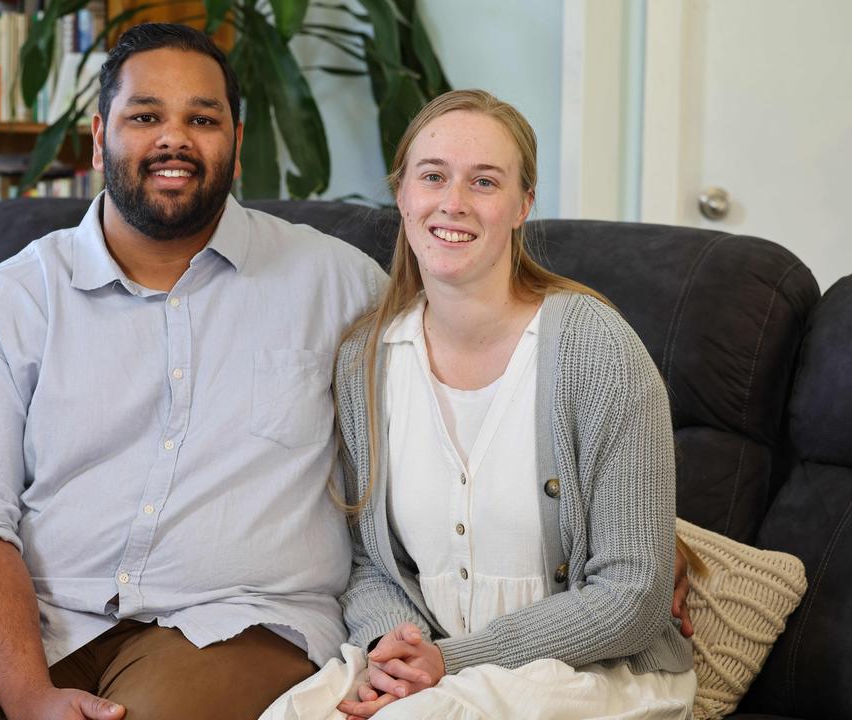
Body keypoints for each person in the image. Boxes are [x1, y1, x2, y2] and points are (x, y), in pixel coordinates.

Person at [0, 23, 387, 720]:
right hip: (43, 605)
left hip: (235, 620)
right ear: (98, 139)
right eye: (145, 116)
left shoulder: (342, 285)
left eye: (202, 119)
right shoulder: (11, 300)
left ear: (236, 145)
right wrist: (28, 695)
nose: (173, 140)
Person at [263, 90, 697, 720]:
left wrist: (453, 662)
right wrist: (394, 650)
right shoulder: (365, 360)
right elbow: (368, 562)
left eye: (485, 181)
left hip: (593, 676)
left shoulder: (597, 349)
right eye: (433, 176)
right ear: (403, 195)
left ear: (523, 205)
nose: (453, 202)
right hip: (435, 666)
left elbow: (633, 594)